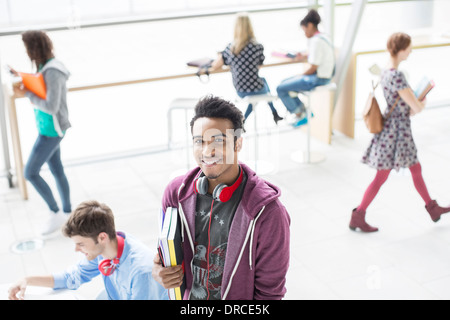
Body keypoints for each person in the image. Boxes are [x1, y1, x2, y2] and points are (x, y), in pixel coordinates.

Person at [152, 95, 290, 300]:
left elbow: (270, 294)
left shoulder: (267, 212)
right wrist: (158, 271)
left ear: (238, 144)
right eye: (199, 141)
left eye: (218, 141)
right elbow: (163, 255)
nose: (207, 151)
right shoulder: (175, 194)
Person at [349, 32, 450, 233]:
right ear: (402, 49)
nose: (410, 52)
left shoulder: (386, 72)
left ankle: (432, 208)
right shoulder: (397, 75)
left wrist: (416, 102)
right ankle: (358, 215)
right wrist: (423, 100)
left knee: (414, 169)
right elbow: (416, 108)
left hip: (394, 130)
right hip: (397, 133)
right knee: (382, 177)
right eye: (409, 48)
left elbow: (406, 107)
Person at [8, 200, 168, 300]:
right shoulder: (105, 251)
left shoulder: (141, 272)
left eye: (81, 244)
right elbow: (70, 278)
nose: (76, 249)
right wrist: (27, 280)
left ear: (102, 237)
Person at [12, 30, 72, 236]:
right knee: (57, 170)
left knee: (30, 172)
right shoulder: (43, 66)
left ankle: (57, 213)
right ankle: (67, 213)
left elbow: (51, 106)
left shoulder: (53, 71)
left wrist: (27, 94)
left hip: (52, 131)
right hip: (47, 128)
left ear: (34, 48)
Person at [208, 13, 284, 124]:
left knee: (259, 90)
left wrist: (221, 55)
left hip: (240, 89)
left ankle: (244, 121)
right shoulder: (257, 47)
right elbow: (260, 64)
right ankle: (273, 113)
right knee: (263, 88)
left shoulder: (231, 48)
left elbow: (216, 65)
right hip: (256, 87)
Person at [276, 9, 335, 127]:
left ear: (310, 25)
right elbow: (318, 54)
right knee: (286, 83)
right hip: (325, 76)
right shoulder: (323, 37)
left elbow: (313, 67)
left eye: (304, 30)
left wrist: (301, 75)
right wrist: (304, 54)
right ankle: (303, 112)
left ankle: (301, 114)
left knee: (281, 88)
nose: (305, 34)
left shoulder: (316, 41)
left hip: (319, 78)